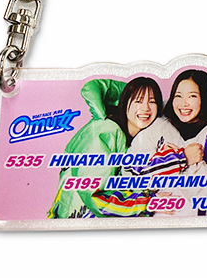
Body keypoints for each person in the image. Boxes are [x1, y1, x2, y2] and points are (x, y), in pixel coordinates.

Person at [124, 69, 207, 215]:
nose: (184, 104)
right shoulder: (157, 127)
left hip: (202, 223)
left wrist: (179, 171)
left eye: (192, 96)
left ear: (204, 97)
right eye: (178, 96)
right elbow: (130, 175)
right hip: (158, 222)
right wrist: (180, 159)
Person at [48, 77, 163, 218]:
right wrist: (147, 202)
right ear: (124, 103)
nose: (145, 108)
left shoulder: (138, 138)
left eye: (152, 101)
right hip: (77, 221)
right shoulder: (105, 131)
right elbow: (95, 196)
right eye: (138, 101)